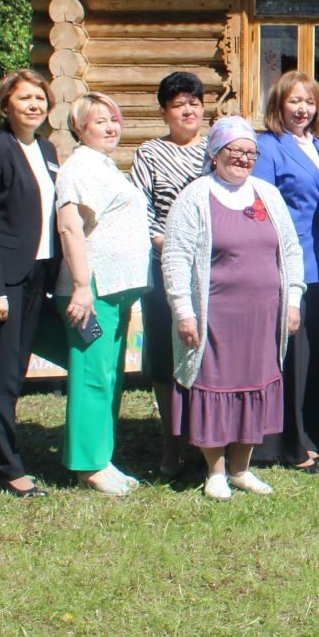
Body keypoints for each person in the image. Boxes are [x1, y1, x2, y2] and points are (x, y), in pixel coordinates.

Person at [162, 116, 305, 501]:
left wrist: (292, 300)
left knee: (254, 382)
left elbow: (290, 250)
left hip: (264, 314)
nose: (243, 159)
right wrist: (183, 310)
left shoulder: (267, 194)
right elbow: (175, 256)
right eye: (234, 151)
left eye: (249, 152)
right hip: (216, 314)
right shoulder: (195, 195)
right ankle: (215, 471)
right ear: (215, 153)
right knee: (214, 384)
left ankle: (242, 469)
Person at [0, 69, 58, 500]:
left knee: (15, 371)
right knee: (3, 375)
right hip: (6, 277)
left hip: (39, 272)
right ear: (6, 105)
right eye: (24, 99)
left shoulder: (47, 149)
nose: (34, 106)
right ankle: (7, 465)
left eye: (39, 98)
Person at [54, 93, 150, 496]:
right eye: (99, 121)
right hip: (93, 288)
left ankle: (102, 457)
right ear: (79, 128)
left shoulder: (104, 165)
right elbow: (69, 227)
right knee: (92, 377)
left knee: (109, 377)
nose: (111, 127)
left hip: (116, 289)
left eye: (114, 119)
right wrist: (80, 287)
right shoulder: (78, 167)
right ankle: (88, 466)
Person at [253, 69, 319, 470]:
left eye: (308, 101)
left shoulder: (318, 147)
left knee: (315, 357)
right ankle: (289, 442)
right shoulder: (268, 147)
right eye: (293, 101)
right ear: (278, 105)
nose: (302, 109)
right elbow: (260, 208)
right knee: (292, 359)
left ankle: (315, 433)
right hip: (289, 264)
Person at [129, 72, 206, 480]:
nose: (188, 110)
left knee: (207, 352)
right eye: (179, 104)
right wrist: (167, 246)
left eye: (194, 102)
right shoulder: (149, 153)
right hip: (165, 269)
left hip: (214, 269)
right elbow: (139, 210)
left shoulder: (217, 150)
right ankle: (171, 442)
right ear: (164, 112)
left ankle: (208, 436)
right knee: (165, 354)